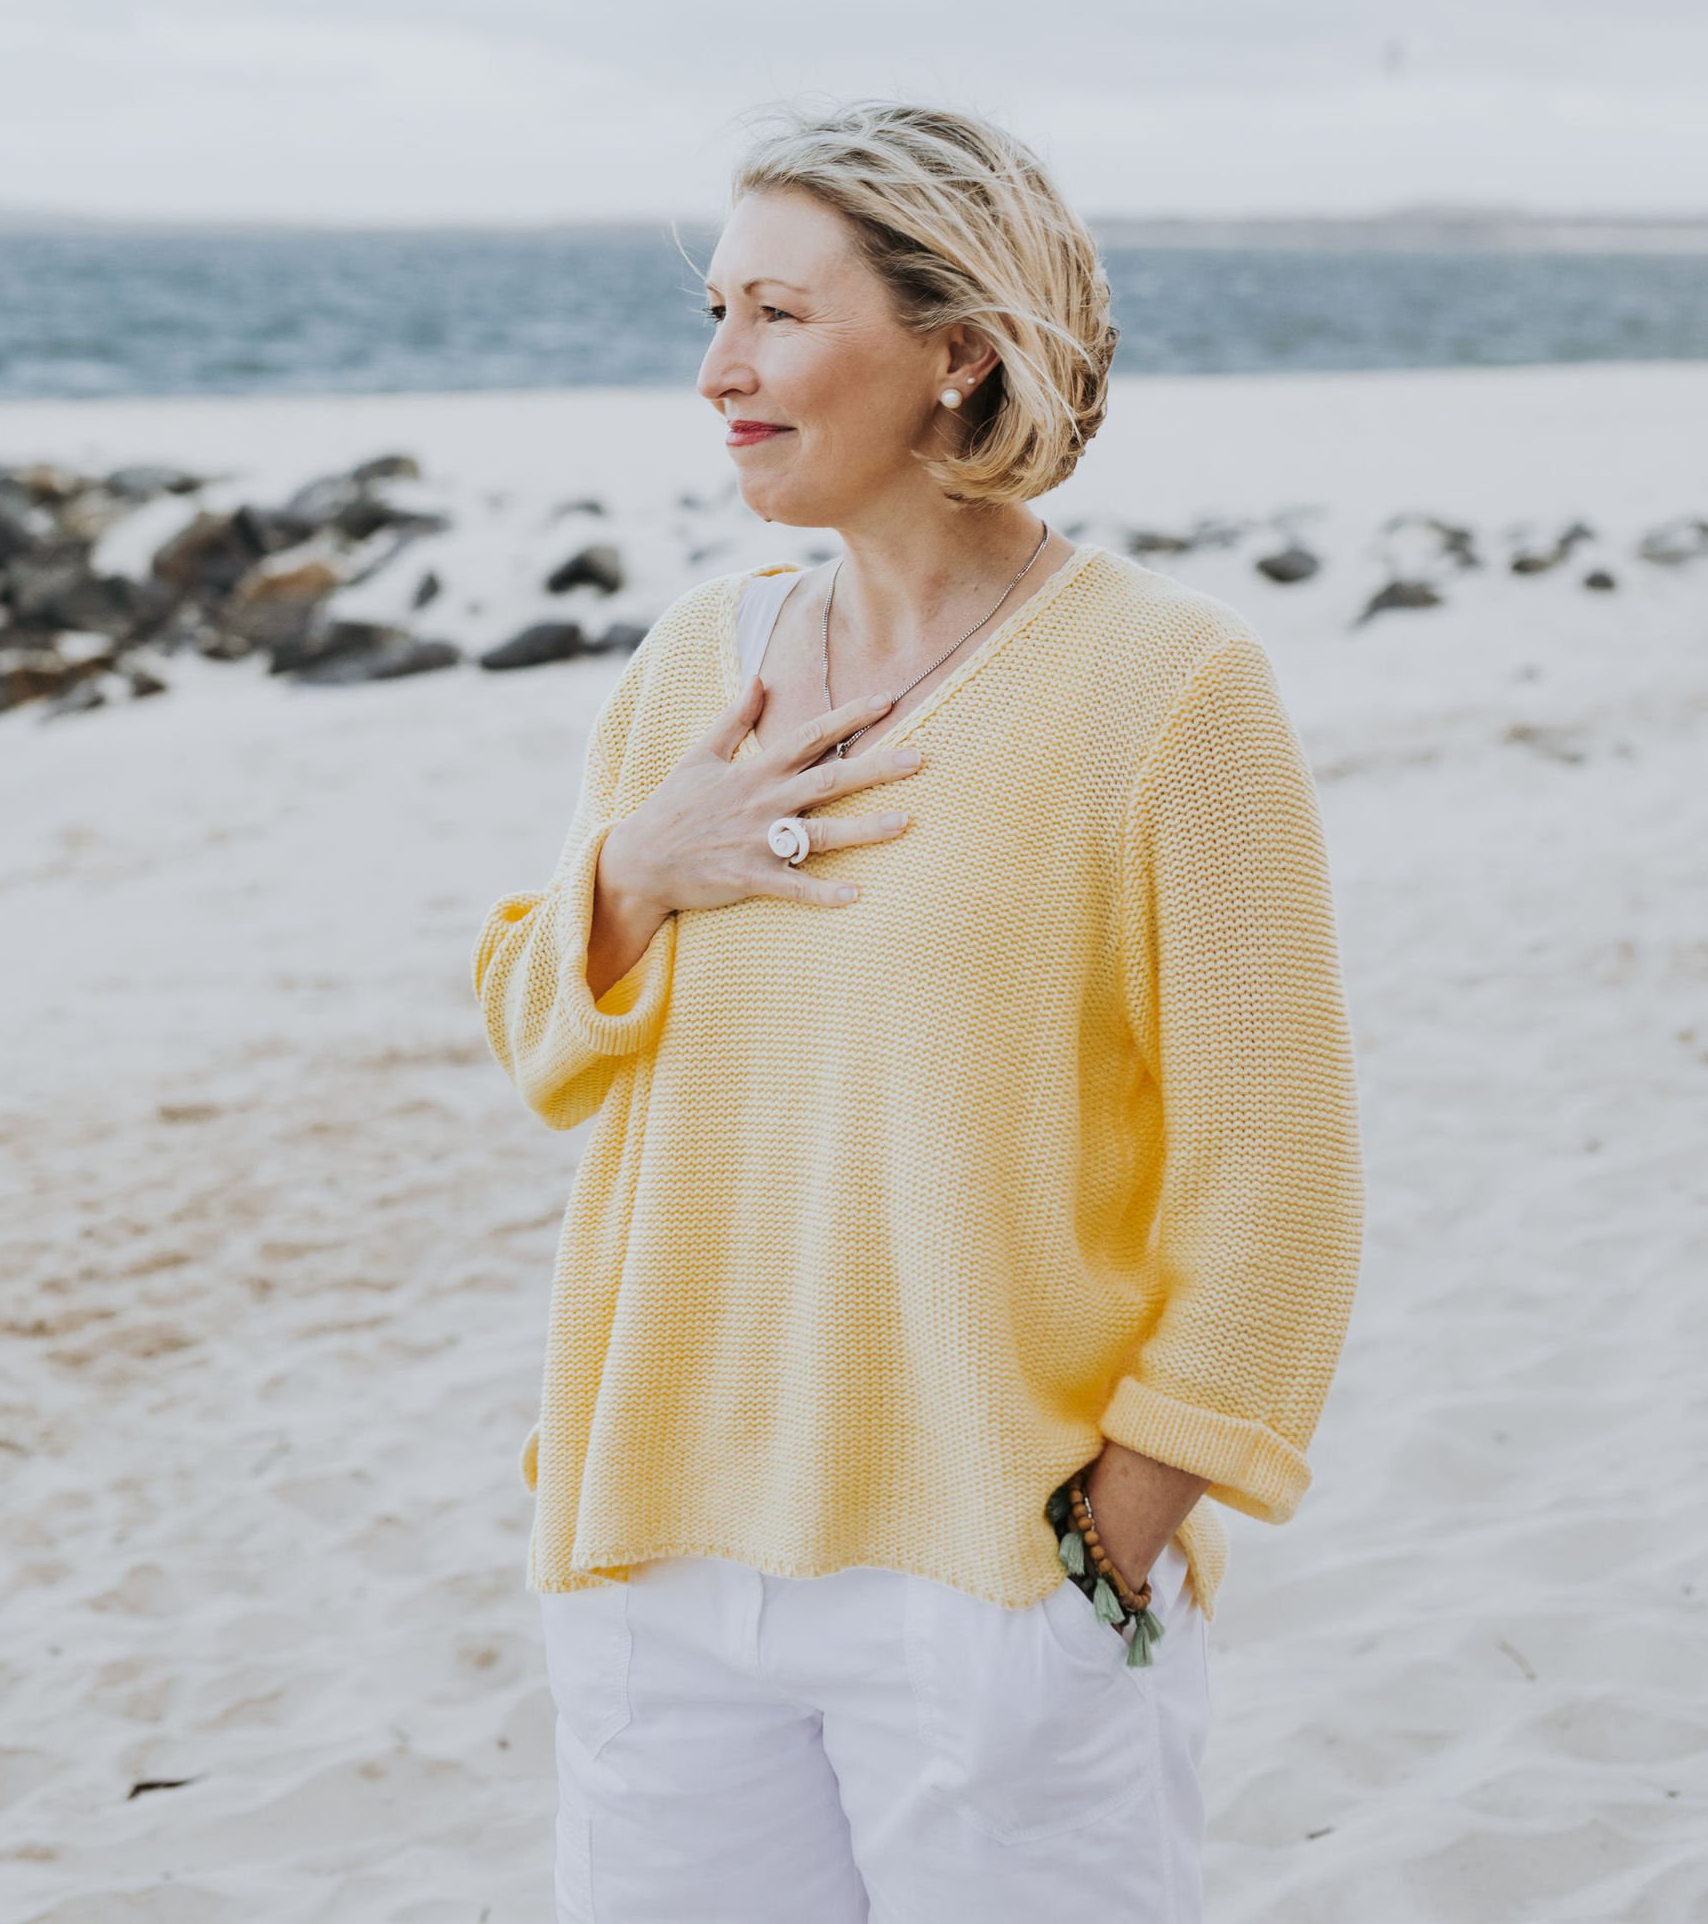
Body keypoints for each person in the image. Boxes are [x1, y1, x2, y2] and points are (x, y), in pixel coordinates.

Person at [474, 102, 1362, 1924]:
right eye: (715, 314)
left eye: (780, 316)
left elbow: (1278, 1173)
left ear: (958, 349)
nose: (720, 371)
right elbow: (539, 1042)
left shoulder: (1168, 689)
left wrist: (1119, 1534)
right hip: (656, 1549)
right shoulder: (692, 664)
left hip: (992, 1569)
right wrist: (639, 870)